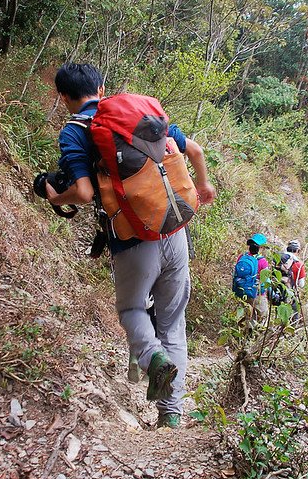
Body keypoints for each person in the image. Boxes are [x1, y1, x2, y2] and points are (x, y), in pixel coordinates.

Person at [46, 63, 217, 429]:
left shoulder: (76, 131)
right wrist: (203, 187)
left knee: (133, 309)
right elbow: (197, 151)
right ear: (102, 87)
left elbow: (84, 192)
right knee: (172, 321)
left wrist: (56, 198)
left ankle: (152, 357)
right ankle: (171, 413)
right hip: (175, 232)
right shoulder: (141, 118)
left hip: (132, 240)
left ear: (64, 97)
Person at [232, 233, 269, 319]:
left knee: (246, 317)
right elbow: (266, 280)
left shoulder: (242, 257)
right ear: (261, 247)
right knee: (262, 318)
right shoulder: (262, 261)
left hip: (242, 292)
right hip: (256, 294)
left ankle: (245, 331)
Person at [279, 239, 306, 323]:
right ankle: (290, 328)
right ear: (297, 250)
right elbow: (301, 284)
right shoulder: (298, 264)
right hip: (288, 291)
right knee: (295, 310)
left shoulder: (279, 258)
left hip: (275, 289)